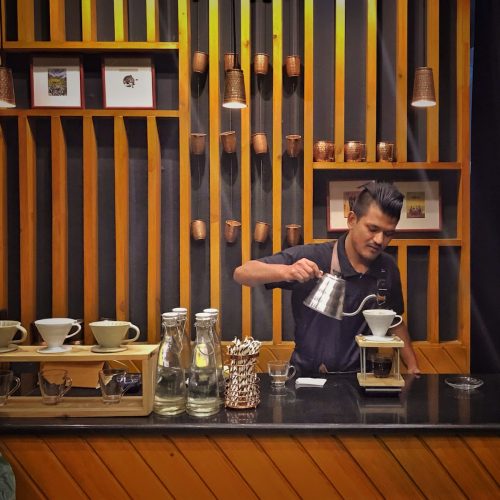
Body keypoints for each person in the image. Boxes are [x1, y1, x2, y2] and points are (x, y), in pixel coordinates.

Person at [233, 181, 420, 377]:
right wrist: (287, 271)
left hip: (362, 379)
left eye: (388, 233)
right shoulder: (314, 257)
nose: (380, 240)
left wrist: (413, 367)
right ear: (352, 220)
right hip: (307, 380)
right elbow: (242, 273)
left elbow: (395, 321)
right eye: (372, 229)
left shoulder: (387, 267)